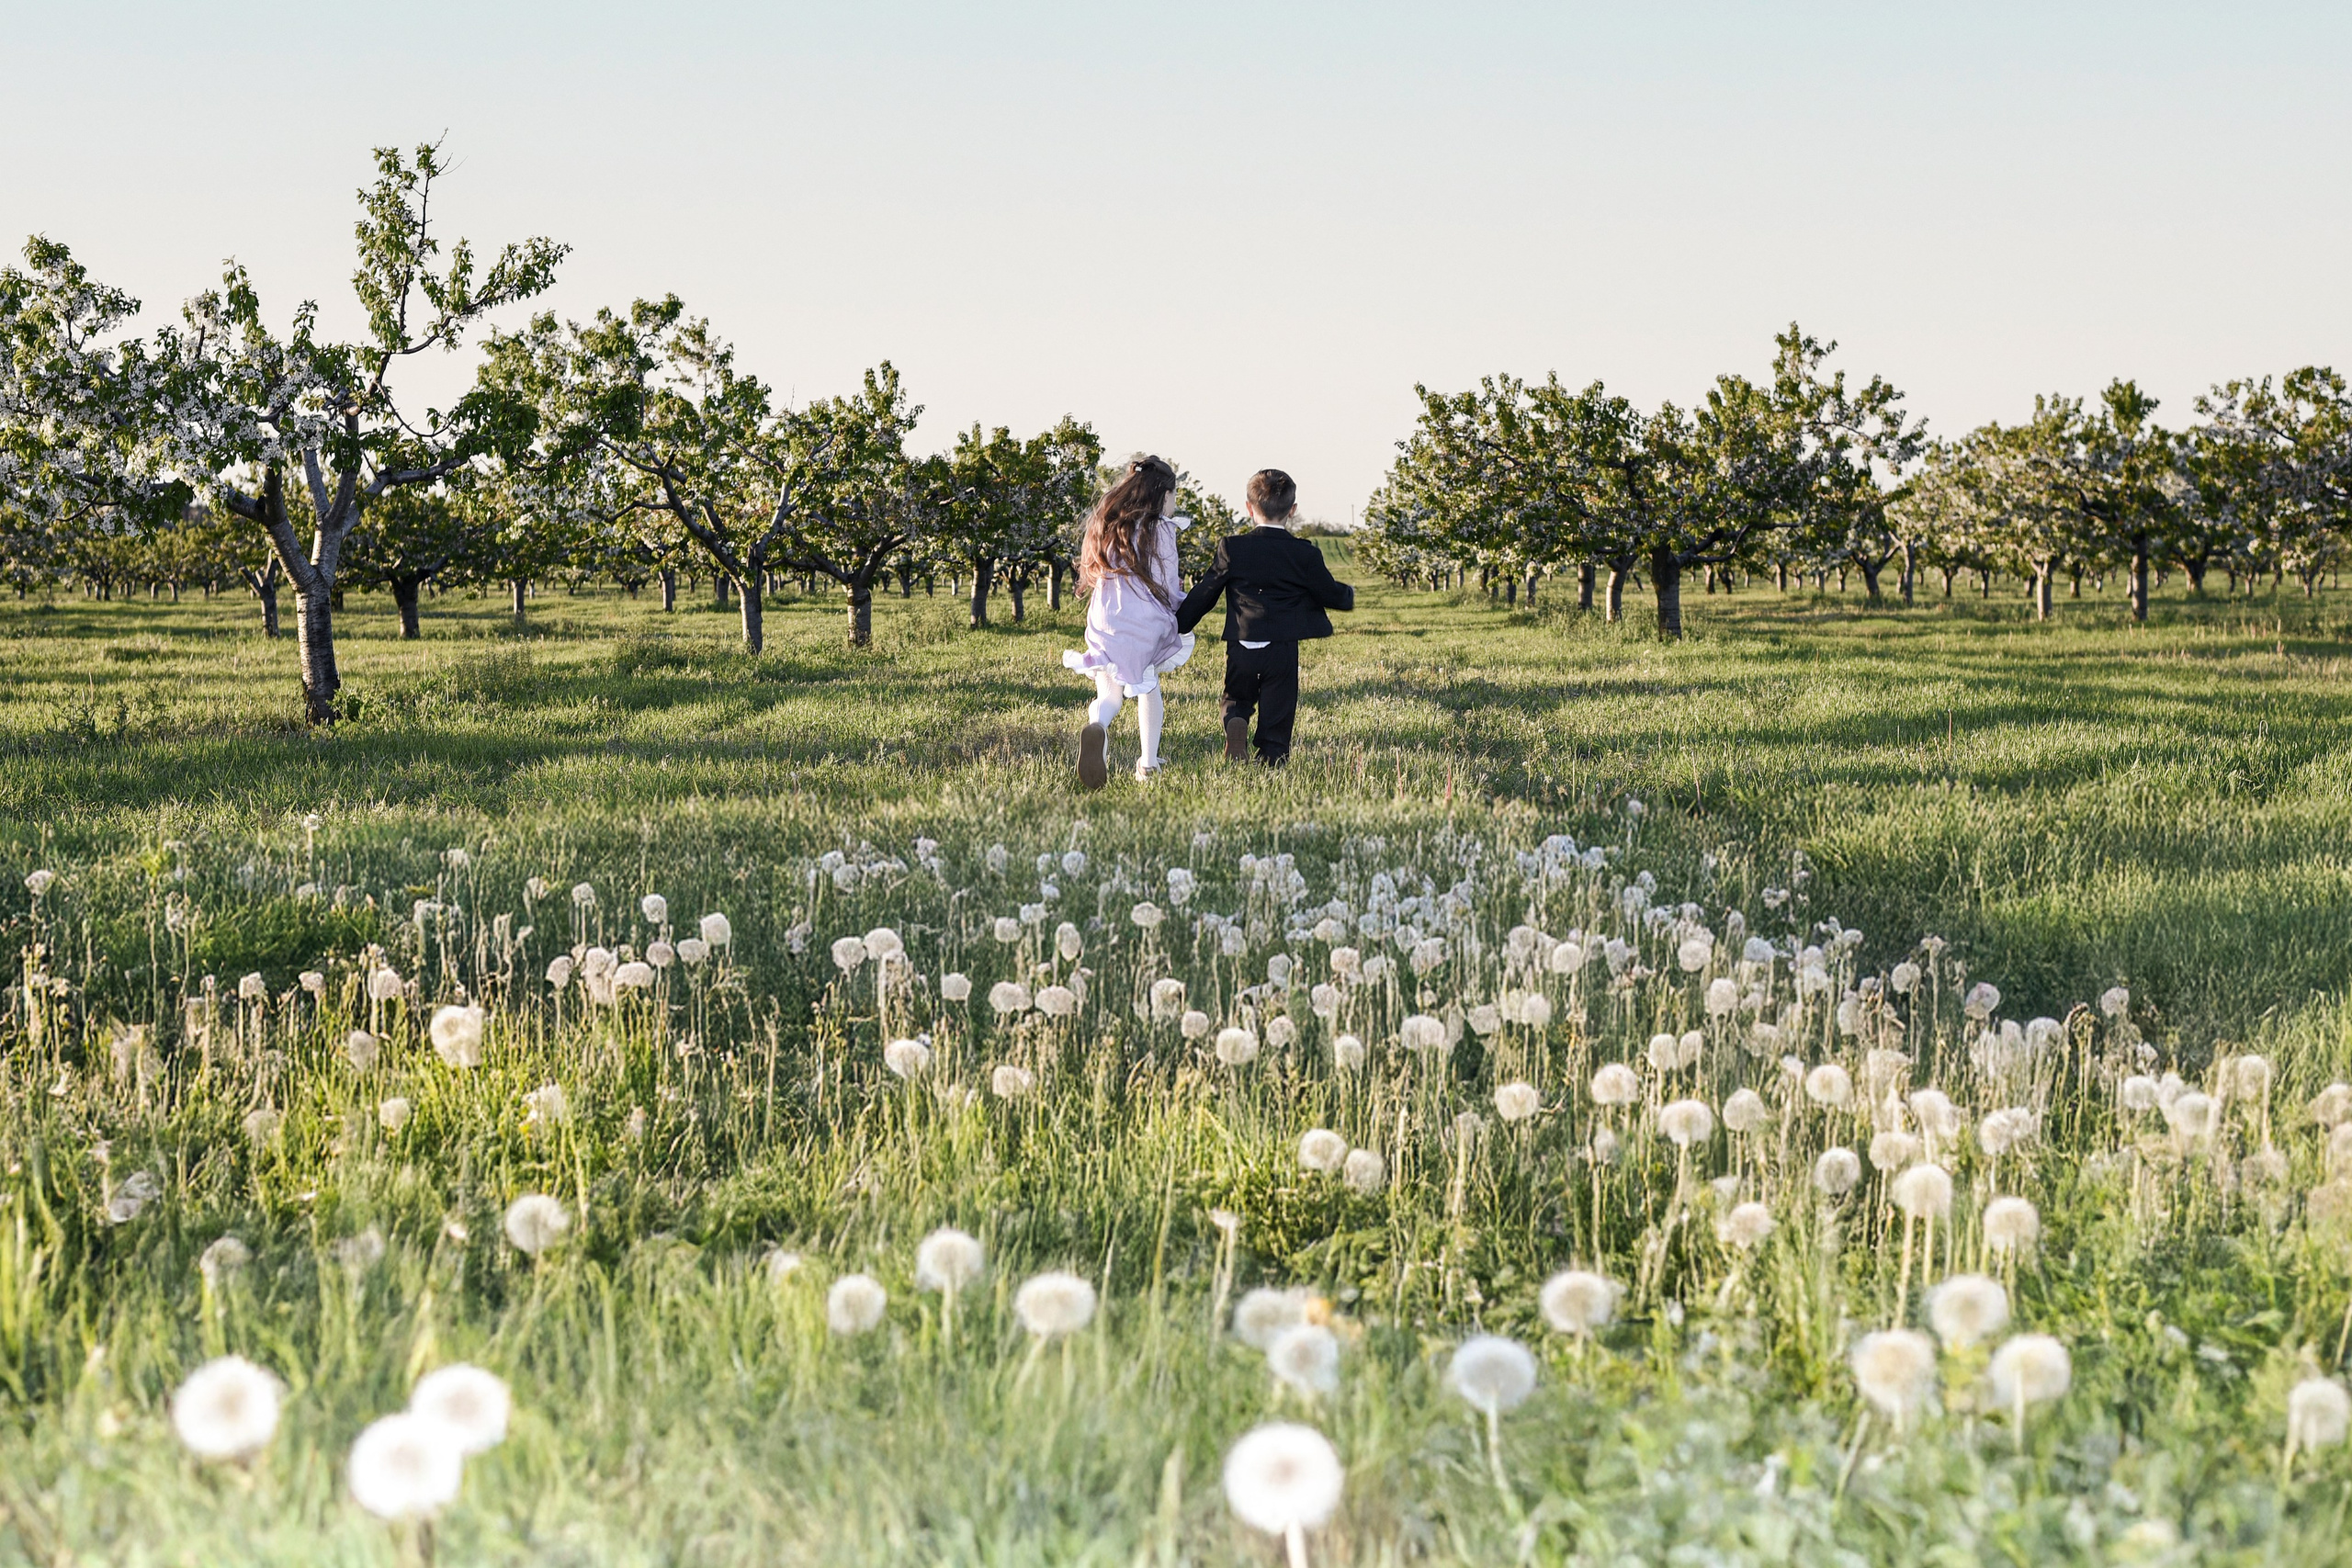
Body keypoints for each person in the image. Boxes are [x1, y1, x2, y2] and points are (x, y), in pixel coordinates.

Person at [1175, 468, 1352, 765]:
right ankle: (1272, 755)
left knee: (1235, 694)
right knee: (1279, 706)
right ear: (1292, 511)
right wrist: (1349, 595)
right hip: (1281, 646)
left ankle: (1235, 718)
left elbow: (1207, 590)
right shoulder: (1303, 553)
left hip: (1242, 641)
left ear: (1248, 508)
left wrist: (1179, 624)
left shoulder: (1233, 547)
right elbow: (1328, 592)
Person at [1060, 454, 1194, 788]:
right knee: (1148, 685)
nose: (1174, 503)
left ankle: (1099, 727)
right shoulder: (1160, 530)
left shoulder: (1108, 524)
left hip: (1105, 619)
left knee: (1109, 692)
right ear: (1163, 495)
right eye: (1174, 496)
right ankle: (1148, 764)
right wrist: (1184, 607)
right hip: (1144, 623)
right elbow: (1165, 583)